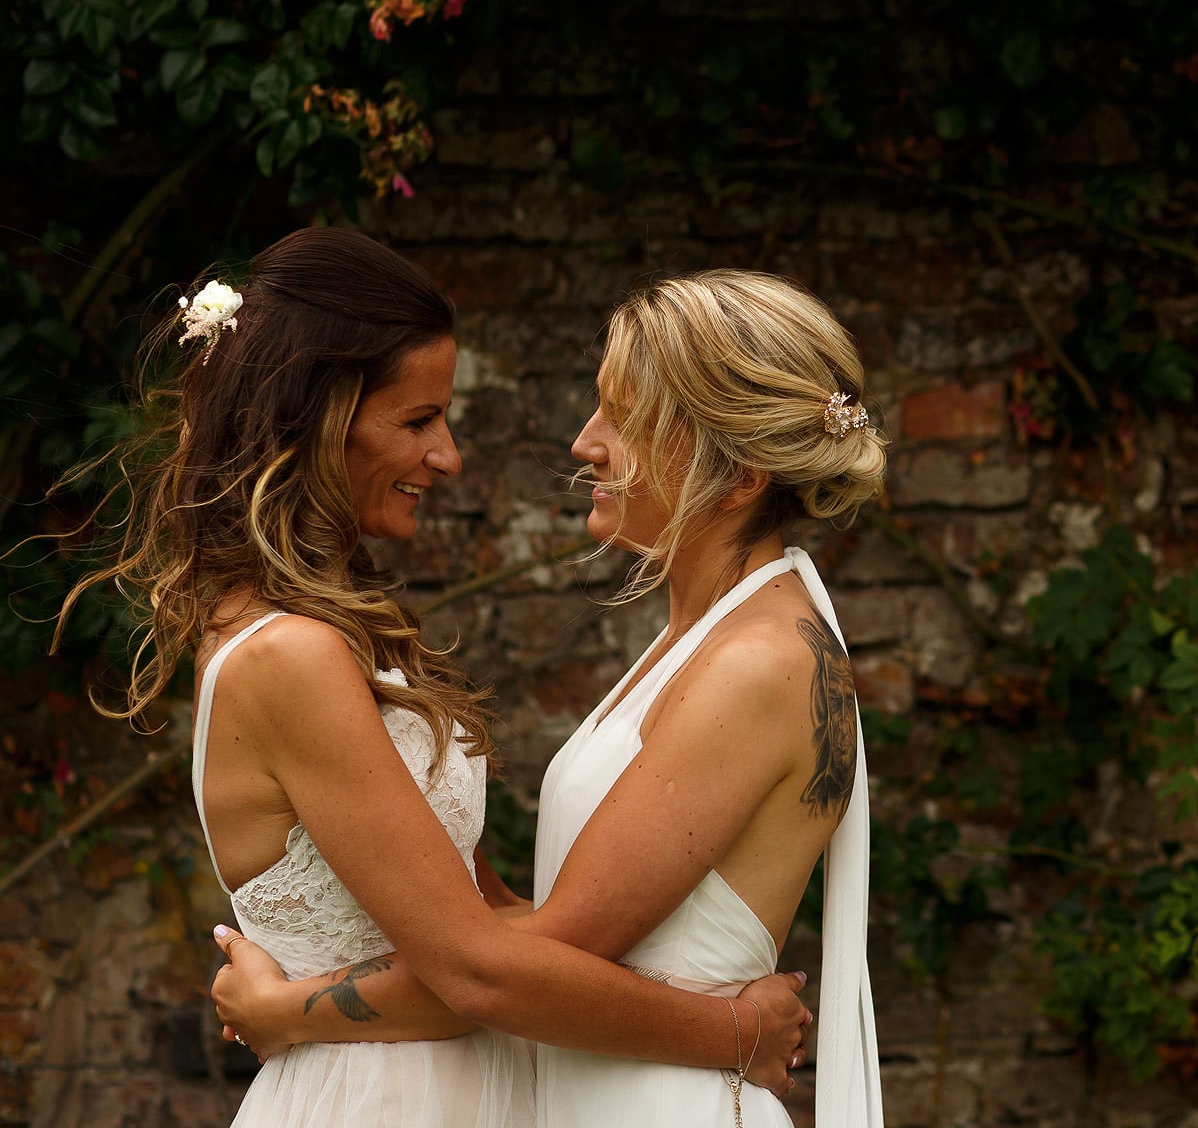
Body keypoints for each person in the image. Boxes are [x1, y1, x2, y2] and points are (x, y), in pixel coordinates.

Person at [58, 231, 811, 1127]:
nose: (448, 456)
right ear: (314, 416)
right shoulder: (289, 655)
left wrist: (283, 1010)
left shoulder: (345, 636)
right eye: (418, 421)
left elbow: (500, 928)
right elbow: (477, 968)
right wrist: (727, 1030)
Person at [212, 269, 889, 1128]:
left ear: (740, 468)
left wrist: (284, 1008)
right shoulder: (702, 640)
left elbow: (506, 967)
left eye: (625, 416)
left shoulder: (759, 661)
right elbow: (556, 933)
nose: (585, 442)